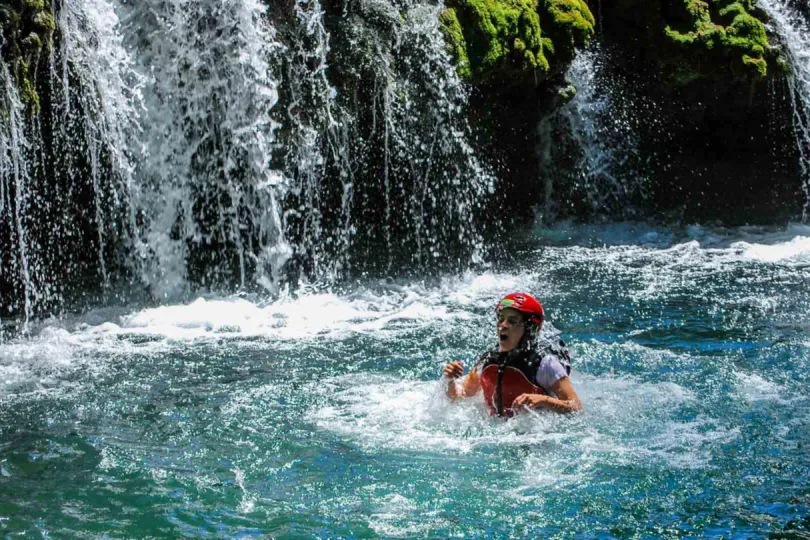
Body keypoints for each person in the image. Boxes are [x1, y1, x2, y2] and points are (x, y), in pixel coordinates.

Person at [443, 292, 582, 416]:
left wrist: (543, 400)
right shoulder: (488, 360)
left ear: (529, 328)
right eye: (501, 319)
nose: (502, 325)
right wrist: (450, 380)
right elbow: (461, 398)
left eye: (512, 321)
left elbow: (576, 407)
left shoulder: (546, 363)